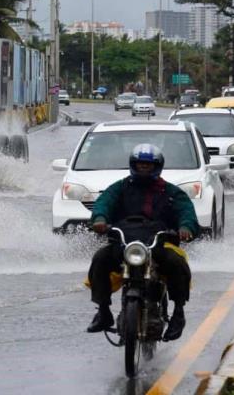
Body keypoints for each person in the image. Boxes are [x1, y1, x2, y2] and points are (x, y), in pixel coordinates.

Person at [85, 143, 197, 342]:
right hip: (124, 243)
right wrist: (100, 219)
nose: (143, 168)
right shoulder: (119, 188)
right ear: (132, 165)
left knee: (177, 263)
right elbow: (103, 203)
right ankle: (103, 311)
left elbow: (186, 211)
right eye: (139, 165)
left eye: (148, 165)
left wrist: (186, 227)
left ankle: (178, 313)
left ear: (157, 166)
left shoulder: (170, 192)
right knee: (100, 258)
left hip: (158, 243)